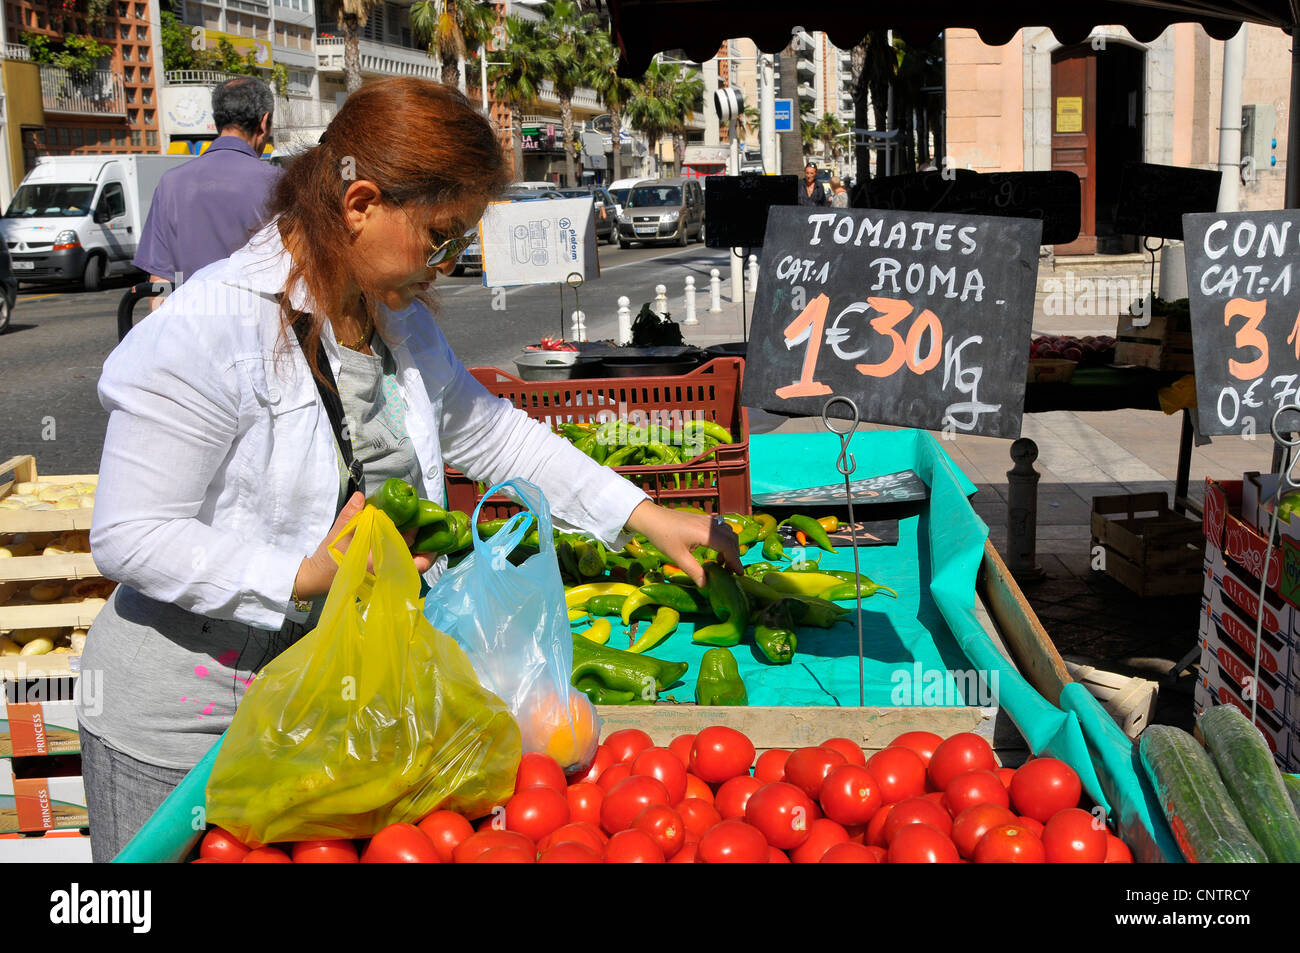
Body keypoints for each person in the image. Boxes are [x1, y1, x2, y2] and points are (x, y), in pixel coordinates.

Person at [75, 78, 742, 862]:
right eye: (441, 236)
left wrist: (645, 516)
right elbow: (127, 535)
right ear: (359, 203)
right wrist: (302, 573)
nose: (448, 262)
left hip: (319, 703)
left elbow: (497, 438)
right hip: (185, 723)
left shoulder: (393, 321)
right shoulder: (209, 330)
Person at [133, 77, 281, 306]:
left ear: (217, 119)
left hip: (189, 329)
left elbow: (160, 282)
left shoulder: (170, 183)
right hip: (258, 331)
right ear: (264, 123)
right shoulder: (279, 183)